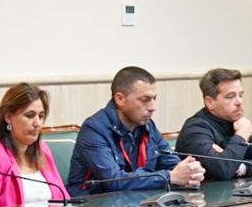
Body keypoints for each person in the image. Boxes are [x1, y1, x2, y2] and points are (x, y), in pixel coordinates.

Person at [68, 67, 205, 196]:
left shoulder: (148, 126)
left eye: (154, 99)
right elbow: (114, 181)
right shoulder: (94, 129)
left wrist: (190, 172)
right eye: (144, 100)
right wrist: (170, 177)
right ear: (120, 99)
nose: (152, 107)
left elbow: (171, 163)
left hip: (139, 202)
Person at [0, 82, 71, 207]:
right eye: (30, 115)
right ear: (8, 117)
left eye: (41, 116)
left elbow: (65, 200)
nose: (37, 123)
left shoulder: (42, 151)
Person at [176, 69, 252, 182]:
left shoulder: (237, 123)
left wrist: (240, 168)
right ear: (210, 102)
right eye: (231, 96)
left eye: (240, 95)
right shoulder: (195, 129)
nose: (239, 102)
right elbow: (222, 170)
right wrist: (241, 136)